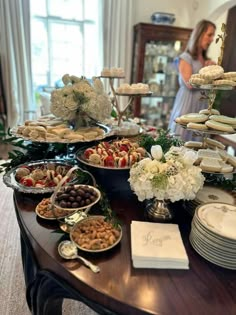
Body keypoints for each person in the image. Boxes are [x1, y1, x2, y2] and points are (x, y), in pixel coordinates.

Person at [168, 20, 216, 141]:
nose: (212, 39)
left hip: (202, 105)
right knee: (180, 141)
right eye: (209, 35)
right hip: (188, 104)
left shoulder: (205, 60)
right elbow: (190, 83)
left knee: (197, 143)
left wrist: (212, 70)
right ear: (199, 34)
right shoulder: (185, 57)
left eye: (213, 36)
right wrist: (207, 71)